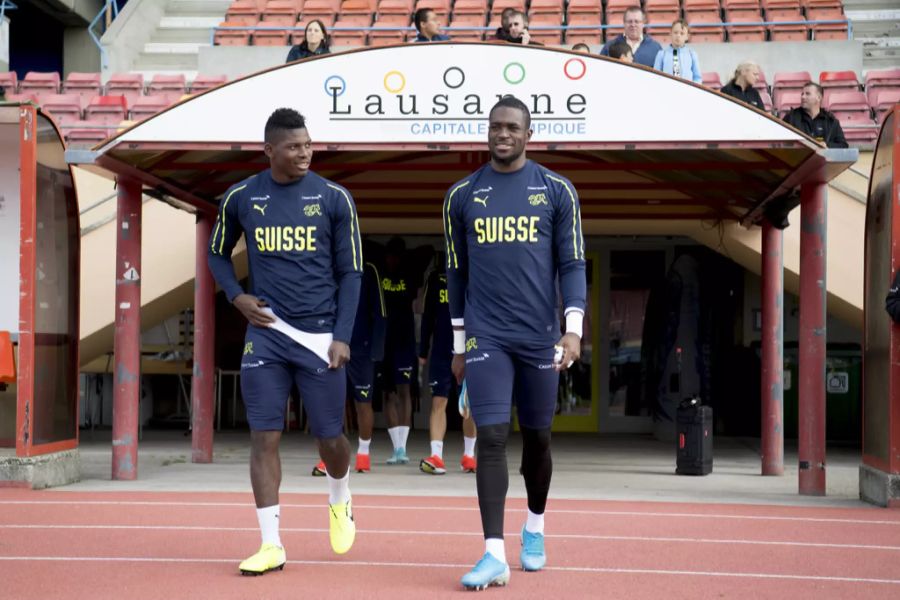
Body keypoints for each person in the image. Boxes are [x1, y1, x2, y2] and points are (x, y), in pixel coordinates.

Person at [208, 108, 362, 574]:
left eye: (309, 144)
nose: (305, 153)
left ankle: (340, 495)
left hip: (320, 337)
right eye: (294, 147)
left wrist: (342, 337)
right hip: (267, 334)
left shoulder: (334, 198)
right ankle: (271, 543)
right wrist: (236, 296)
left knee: (329, 436)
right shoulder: (241, 197)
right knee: (264, 436)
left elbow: (351, 272)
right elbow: (216, 253)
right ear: (269, 150)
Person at [443, 96, 586, 589]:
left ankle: (535, 526)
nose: (502, 134)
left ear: (528, 134)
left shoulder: (556, 190)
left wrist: (573, 328)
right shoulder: (462, 195)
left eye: (512, 128)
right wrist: (460, 344)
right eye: (495, 127)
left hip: (540, 337)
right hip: (488, 336)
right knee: (492, 436)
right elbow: (456, 274)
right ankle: (493, 553)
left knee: (539, 439)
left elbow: (572, 264)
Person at [313, 248, 386, 476]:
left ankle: (363, 453)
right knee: (330, 403)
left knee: (363, 403)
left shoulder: (368, 270)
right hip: (329, 345)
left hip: (361, 349)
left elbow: (381, 312)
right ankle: (329, 458)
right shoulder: (326, 266)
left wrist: (376, 350)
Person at [419, 254, 477, 475]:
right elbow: (427, 317)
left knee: (468, 404)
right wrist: (423, 350)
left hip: (470, 348)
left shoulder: (474, 276)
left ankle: (469, 456)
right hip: (442, 352)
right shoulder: (435, 279)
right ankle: (436, 456)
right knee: (438, 402)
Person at [381, 236, 421, 464]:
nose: (391, 260)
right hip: (385, 341)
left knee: (405, 390)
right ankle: (395, 446)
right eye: (389, 256)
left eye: (395, 256)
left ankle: (403, 448)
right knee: (388, 393)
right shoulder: (382, 276)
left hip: (405, 340)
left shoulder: (410, 274)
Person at [783, 82, 849, 149]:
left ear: (819, 98)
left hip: (823, 159)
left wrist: (827, 145)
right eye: (802, 94)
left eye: (807, 94)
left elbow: (843, 145)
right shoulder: (791, 117)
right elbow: (780, 143)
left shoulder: (831, 121)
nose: (803, 97)